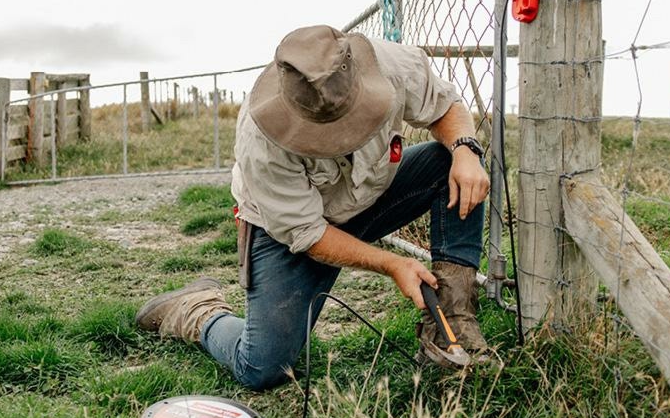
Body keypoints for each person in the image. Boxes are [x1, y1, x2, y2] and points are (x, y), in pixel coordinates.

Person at [136, 25, 490, 391]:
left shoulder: (392, 63)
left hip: (371, 197)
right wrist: (392, 263)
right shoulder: (260, 138)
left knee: (451, 163)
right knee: (261, 369)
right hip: (292, 232)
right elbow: (307, 233)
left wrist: (465, 149)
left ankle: (452, 322)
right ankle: (198, 310)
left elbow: (445, 106)